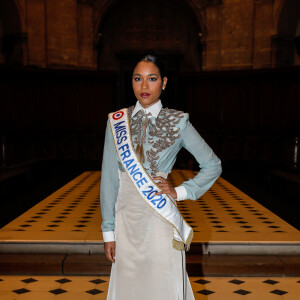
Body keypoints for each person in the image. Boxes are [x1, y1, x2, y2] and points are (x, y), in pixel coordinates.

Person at [100, 54, 222, 300]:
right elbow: (109, 180)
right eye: (138, 79)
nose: (144, 86)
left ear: (164, 82)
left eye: (152, 79)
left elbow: (212, 164)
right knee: (129, 285)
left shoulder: (178, 121)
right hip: (126, 218)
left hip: (159, 217)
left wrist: (180, 191)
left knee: (162, 282)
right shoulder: (116, 121)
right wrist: (108, 232)